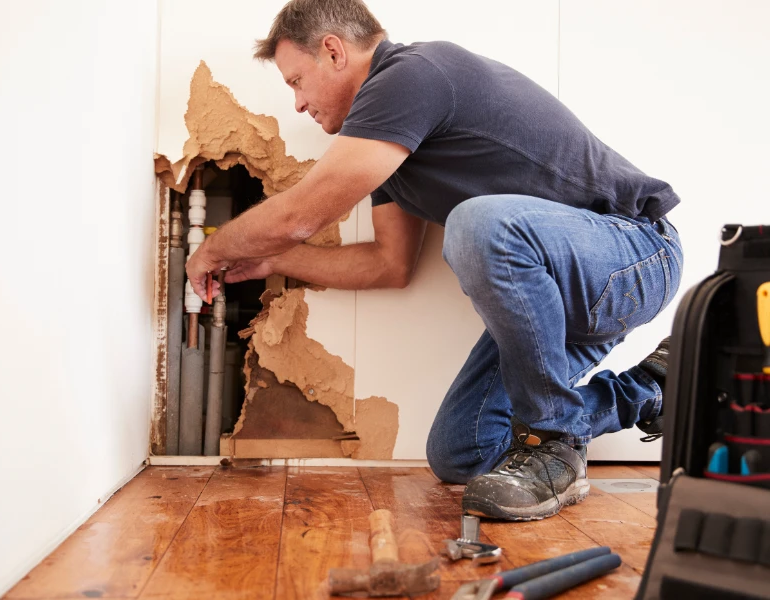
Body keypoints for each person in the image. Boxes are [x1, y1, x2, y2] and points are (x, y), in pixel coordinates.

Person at [186, 0, 683, 521]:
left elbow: (301, 215)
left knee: (480, 224)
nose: (298, 104)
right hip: (553, 298)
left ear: (333, 51)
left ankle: (552, 443)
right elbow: (388, 263)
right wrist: (274, 262)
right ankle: (649, 389)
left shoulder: (413, 75)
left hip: (634, 254)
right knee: (463, 451)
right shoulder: (388, 152)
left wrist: (215, 249)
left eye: (296, 82)